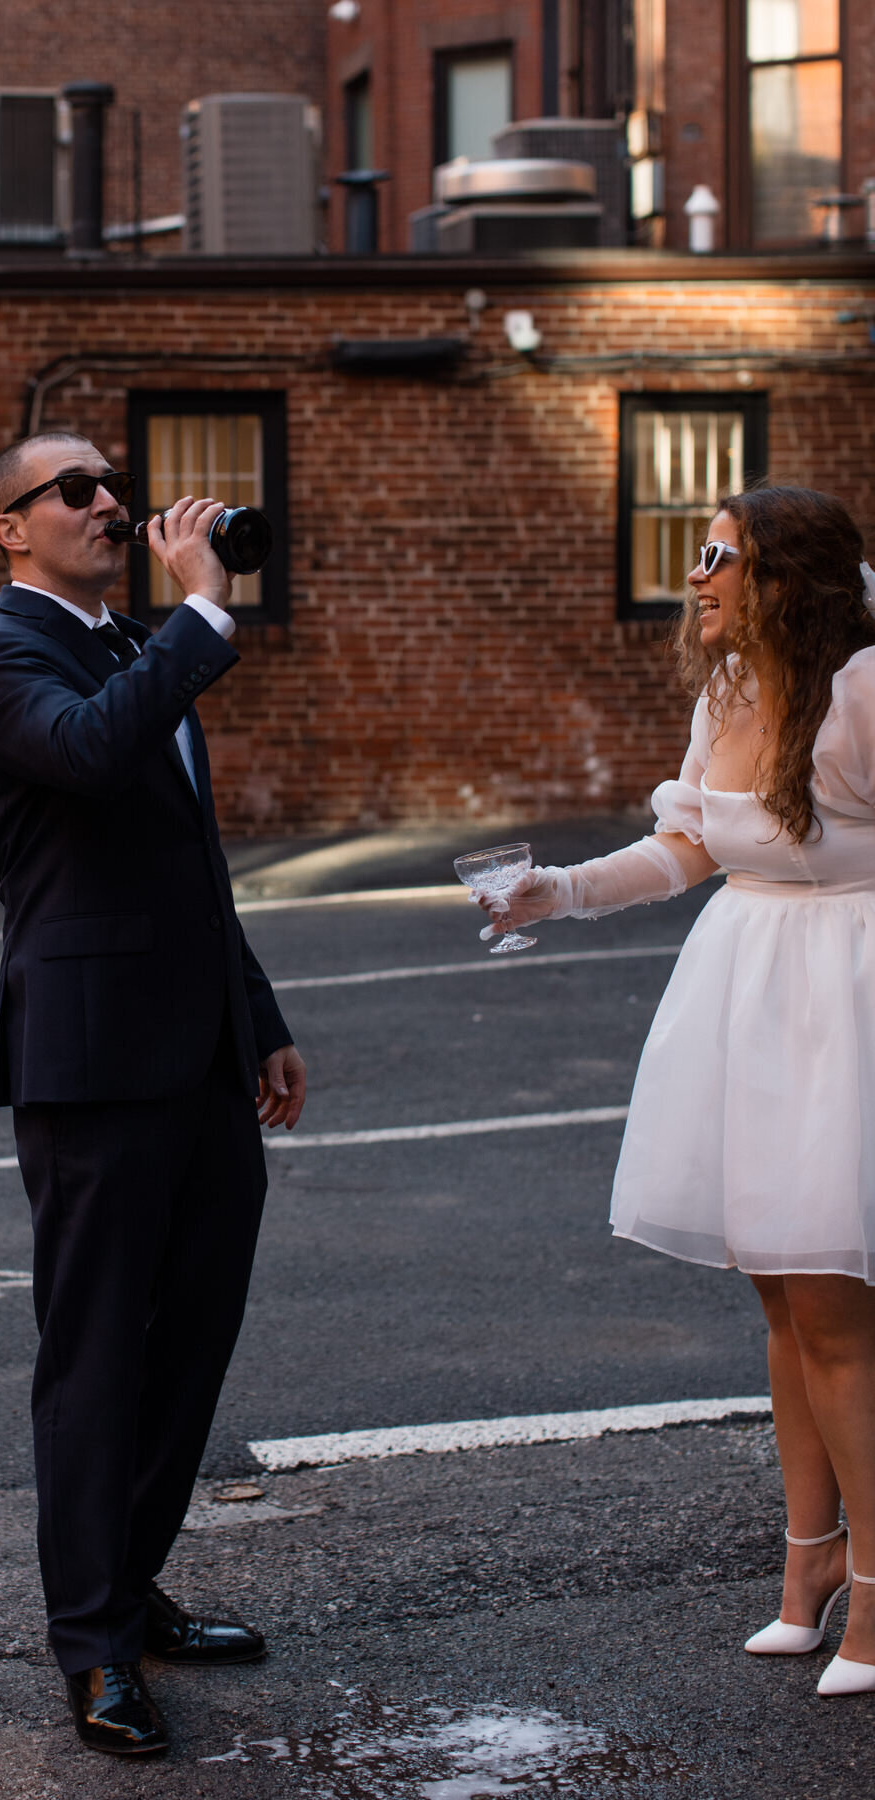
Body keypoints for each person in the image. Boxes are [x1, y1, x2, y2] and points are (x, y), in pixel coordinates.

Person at [479, 486, 875, 1698]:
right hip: (747, 995)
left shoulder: (863, 692)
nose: (695, 577)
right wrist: (556, 892)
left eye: (717, 556)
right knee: (781, 1300)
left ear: (784, 579)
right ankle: (809, 1566)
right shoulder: (727, 692)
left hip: (851, 993)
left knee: (841, 1315)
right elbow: (691, 847)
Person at [0, 431, 307, 1758]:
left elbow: (188, 863)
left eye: (112, 485)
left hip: (200, 1048)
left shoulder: (124, 648)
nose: (110, 504)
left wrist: (257, 1016)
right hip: (93, 1062)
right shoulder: (3, 657)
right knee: (98, 1359)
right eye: (76, 492)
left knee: (191, 1339)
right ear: (11, 529)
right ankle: (92, 1648)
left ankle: (133, 1584)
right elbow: (95, 758)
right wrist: (205, 607)